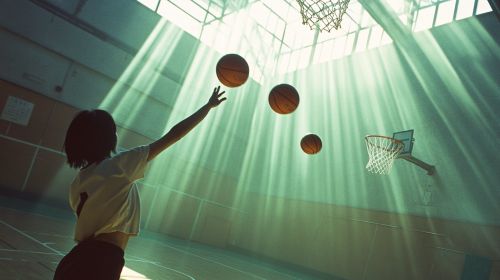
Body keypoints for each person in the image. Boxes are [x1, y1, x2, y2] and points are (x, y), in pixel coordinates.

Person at [53, 86, 226, 280]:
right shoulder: (120, 166)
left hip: (75, 261)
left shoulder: (77, 184)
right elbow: (175, 134)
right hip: (101, 260)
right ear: (111, 138)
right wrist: (208, 106)